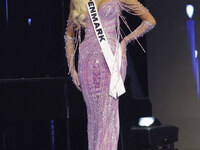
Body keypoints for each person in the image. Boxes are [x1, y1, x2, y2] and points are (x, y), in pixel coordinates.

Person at [64, 0, 156, 149]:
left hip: (111, 60)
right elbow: (69, 35)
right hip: (87, 62)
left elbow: (150, 21)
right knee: (94, 119)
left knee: (107, 117)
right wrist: (72, 68)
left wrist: (125, 41)